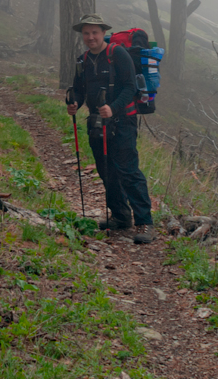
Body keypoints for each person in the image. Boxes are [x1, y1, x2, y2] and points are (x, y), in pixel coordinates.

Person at [66, 13, 155, 244]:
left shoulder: (118, 54)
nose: (90, 37)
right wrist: (74, 103)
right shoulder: (83, 60)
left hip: (123, 120)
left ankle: (145, 222)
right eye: (86, 33)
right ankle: (121, 216)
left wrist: (113, 108)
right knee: (106, 170)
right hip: (97, 122)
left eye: (94, 32)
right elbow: (79, 89)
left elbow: (130, 87)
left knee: (128, 170)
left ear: (103, 33)